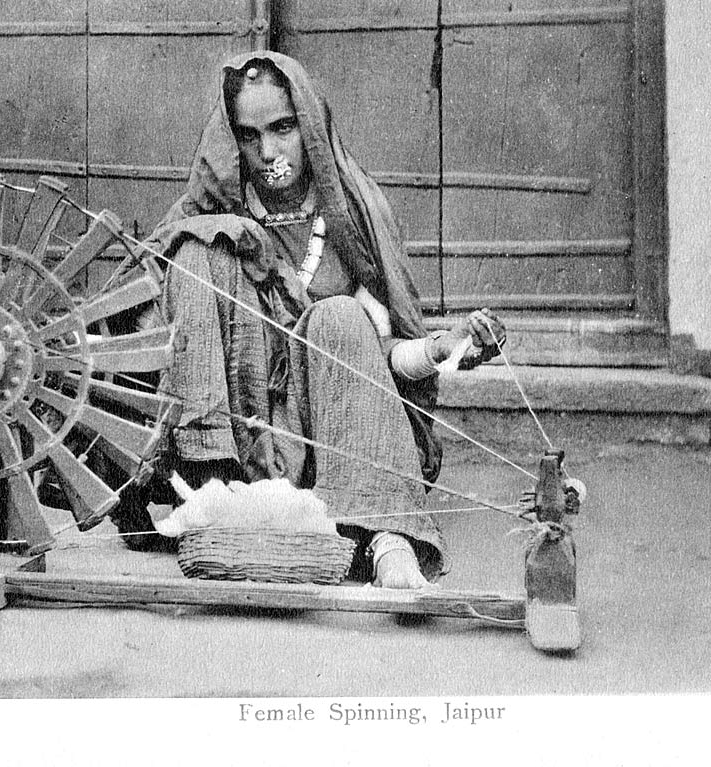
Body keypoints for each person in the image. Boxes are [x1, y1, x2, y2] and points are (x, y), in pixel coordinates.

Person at [120, 51, 505, 589]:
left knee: (338, 316)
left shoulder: (349, 218)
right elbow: (135, 332)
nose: (269, 151)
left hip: (330, 446)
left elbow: (386, 354)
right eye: (250, 136)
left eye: (283, 129)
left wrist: (442, 348)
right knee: (195, 249)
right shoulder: (206, 212)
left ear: (311, 129)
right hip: (233, 458)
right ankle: (214, 495)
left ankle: (385, 536)